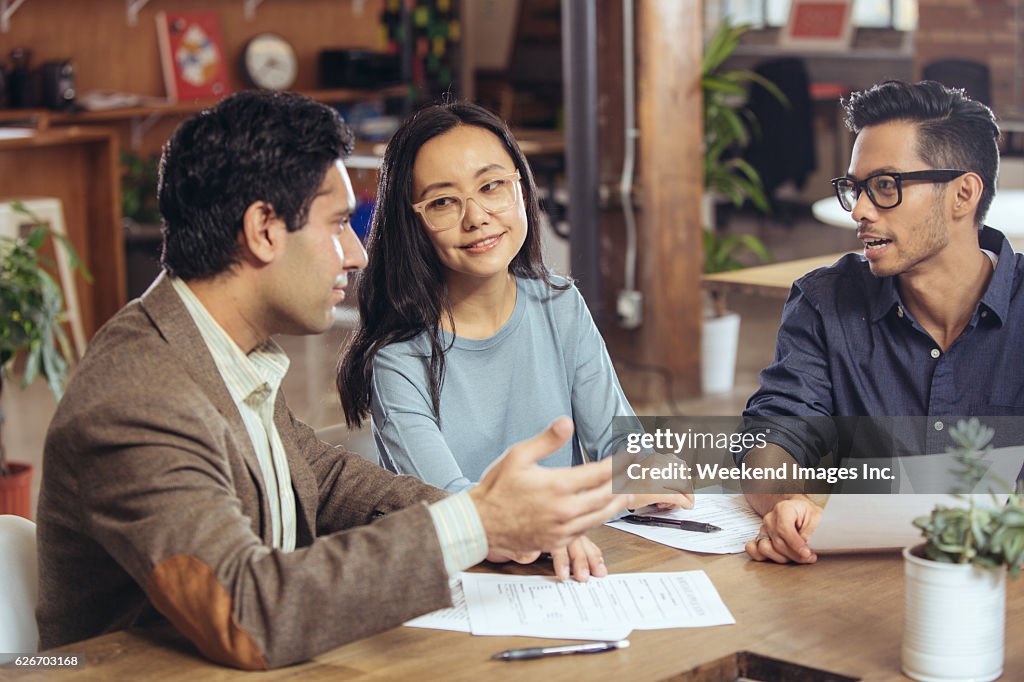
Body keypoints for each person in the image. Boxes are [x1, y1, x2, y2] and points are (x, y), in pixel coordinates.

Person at [35, 91, 629, 670]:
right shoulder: (141, 394)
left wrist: (486, 520)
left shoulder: (225, 355)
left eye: (494, 185)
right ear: (265, 229)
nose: (356, 254)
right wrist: (477, 521)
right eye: (339, 224)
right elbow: (248, 613)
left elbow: (329, 477)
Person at [337, 101, 691, 510]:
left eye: (491, 187)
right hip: (477, 567)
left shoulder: (560, 303)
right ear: (411, 223)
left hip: (575, 558)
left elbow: (619, 445)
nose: (476, 217)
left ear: (521, 189)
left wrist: (650, 469)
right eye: (443, 202)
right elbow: (453, 507)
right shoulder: (398, 357)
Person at [739, 79, 1023, 564]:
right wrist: (788, 501)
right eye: (856, 188)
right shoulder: (824, 300)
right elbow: (774, 432)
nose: (862, 211)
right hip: (856, 587)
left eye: (887, 186)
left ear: (963, 194)